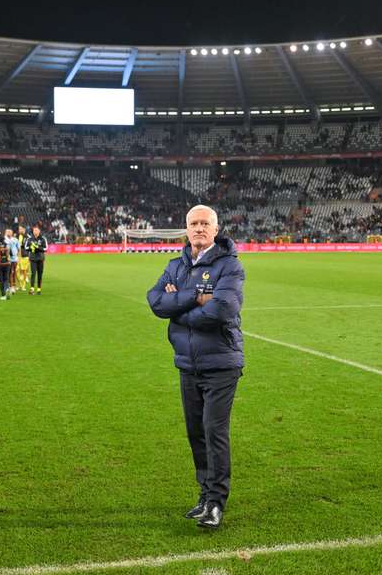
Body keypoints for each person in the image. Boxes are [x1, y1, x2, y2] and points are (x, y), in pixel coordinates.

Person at [146, 205, 245, 530]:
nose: (199, 228)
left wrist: (179, 308)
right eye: (194, 223)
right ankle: (204, 496)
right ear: (186, 229)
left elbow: (222, 309)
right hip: (188, 363)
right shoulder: (176, 265)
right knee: (196, 433)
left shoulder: (230, 266)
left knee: (214, 431)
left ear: (215, 229)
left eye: (205, 223)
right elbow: (155, 300)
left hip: (220, 363)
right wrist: (195, 297)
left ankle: (216, 503)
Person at [25, 225, 48, 295]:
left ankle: (39, 289)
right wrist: (31, 248)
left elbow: (46, 248)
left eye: (37, 230)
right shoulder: (29, 239)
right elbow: (26, 247)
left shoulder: (43, 239)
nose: (35, 231)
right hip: (33, 259)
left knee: (40, 274)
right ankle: (32, 289)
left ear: (39, 231)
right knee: (33, 273)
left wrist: (38, 248)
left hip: (40, 259)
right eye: (34, 230)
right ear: (33, 231)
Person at [0, 231, 13, 301]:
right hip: (7, 264)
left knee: (1, 280)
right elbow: (11, 254)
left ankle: (3, 294)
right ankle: (7, 288)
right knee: (6, 278)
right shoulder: (7, 244)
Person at [16, 225, 30, 292]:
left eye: (21, 229)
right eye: (19, 229)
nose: (19, 230)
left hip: (25, 256)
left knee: (23, 271)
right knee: (16, 271)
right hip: (17, 257)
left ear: (24, 229)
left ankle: (23, 286)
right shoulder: (16, 236)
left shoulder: (28, 237)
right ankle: (19, 285)